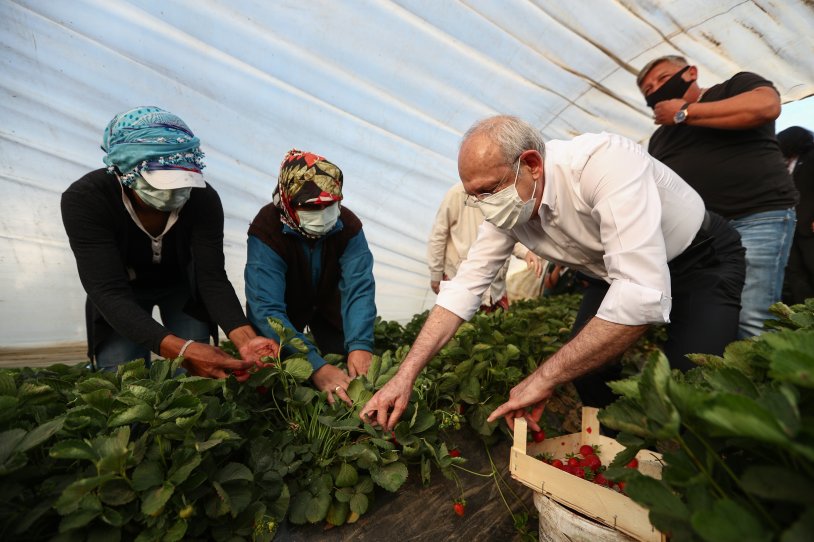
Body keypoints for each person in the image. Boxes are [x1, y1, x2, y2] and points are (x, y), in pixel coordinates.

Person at [360, 115, 745, 431]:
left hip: (699, 260)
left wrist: (543, 378)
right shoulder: (507, 211)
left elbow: (640, 295)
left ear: (531, 164)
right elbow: (463, 291)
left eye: (490, 190)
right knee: (588, 372)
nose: (485, 206)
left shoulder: (602, 163)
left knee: (695, 386)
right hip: (611, 273)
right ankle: (618, 447)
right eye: (474, 196)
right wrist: (404, 375)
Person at [61, 106, 278, 378]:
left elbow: (210, 277)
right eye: (162, 183)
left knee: (193, 380)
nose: (175, 192)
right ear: (125, 171)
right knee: (122, 374)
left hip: (182, 287)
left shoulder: (203, 199)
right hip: (121, 290)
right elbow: (107, 291)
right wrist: (182, 349)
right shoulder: (86, 200)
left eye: (183, 182)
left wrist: (247, 340)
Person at [637, 55, 798, 338]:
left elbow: (767, 106)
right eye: (648, 89)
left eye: (662, 79)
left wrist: (684, 111)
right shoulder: (660, 138)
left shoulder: (735, 87)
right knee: (708, 313)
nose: (656, 90)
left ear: (691, 73)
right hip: (703, 237)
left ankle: (751, 379)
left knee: (750, 318)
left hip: (755, 218)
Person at [245, 149, 376, 406]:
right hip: (285, 311)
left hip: (330, 307)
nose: (324, 214)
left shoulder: (348, 226)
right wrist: (316, 367)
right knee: (284, 384)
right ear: (288, 200)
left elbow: (359, 287)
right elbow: (266, 308)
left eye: (331, 204)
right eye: (311, 207)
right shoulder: (267, 229)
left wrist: (361, 344)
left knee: (351, 372)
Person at [427, 183, 543, 311]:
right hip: (461, 279)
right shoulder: (457, 193)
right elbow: (438, 235)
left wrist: (526, 252)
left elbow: (506, 231)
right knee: (462, 326)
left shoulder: (503, 191)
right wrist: (436, 273)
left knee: (492, 326)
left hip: (495, 287)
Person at [777, 126, 814, 304]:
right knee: (796, 274)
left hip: (809, 225)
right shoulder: (784, 164)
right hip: (790, 228)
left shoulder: (811, 158)